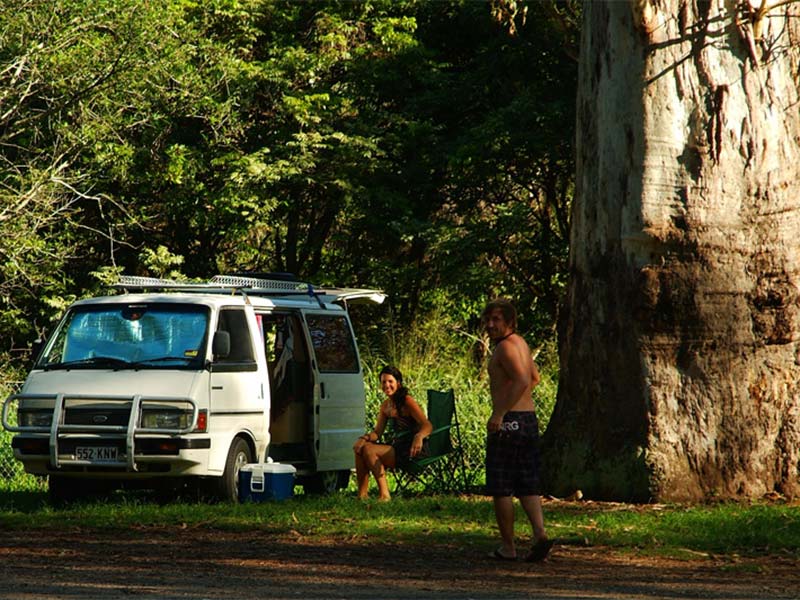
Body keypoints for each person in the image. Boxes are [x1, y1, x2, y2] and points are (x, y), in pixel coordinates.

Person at [482, 298, 553, 562]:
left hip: (509, 421)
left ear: (510, 322)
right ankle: (539, 534)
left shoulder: (504, 348)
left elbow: (523, 379)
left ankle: (508, 547)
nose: (490, 325)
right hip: (528, 420)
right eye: (488, 320)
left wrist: (501, 412)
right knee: (527, 483)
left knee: (501, 487)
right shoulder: (521, 343)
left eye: (496, 320)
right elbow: (534, 377)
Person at [353, 365, 432, 501]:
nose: (387, 385)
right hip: (398, 448)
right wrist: (363, 438)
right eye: (383, 382)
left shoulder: (407, 401)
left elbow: (427, 425)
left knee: (370, 450)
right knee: (360, 448)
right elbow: (377, 433)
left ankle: (384, 495)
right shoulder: (385, 406)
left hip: (413, 450)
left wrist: (419, 436)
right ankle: (362, 495)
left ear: (398, 383)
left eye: (390, 381)